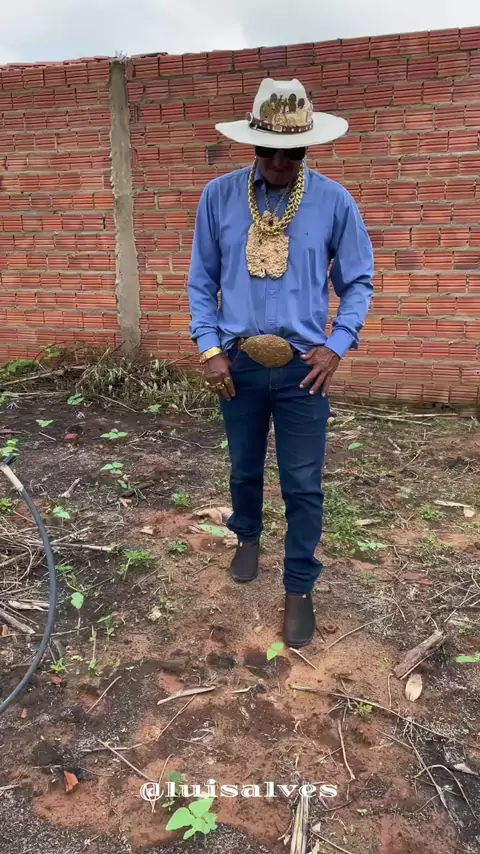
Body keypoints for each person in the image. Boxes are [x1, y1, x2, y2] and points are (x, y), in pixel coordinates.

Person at [187, 78, 374, 647]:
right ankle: (247, 535)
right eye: (266, 150)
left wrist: (337, 344)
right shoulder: (219, 197)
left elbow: (359, 281)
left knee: (302, 482)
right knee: (243, 466)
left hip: (303, 369)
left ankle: (299, 587)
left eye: (291, 152)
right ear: (252, 144)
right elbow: (201, 282)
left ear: (308, 147)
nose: (277, 162)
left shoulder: (334, 202)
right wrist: (210, 349)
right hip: (238, 362)